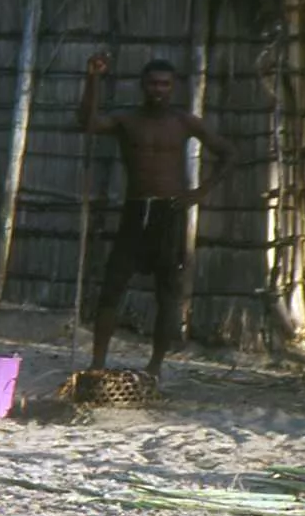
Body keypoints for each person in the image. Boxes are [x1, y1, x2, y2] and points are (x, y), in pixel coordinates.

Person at [78, 55, 234, 376]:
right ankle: (97, 364)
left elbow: (228, 153)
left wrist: (199, 193)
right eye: (152, 84)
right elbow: (88, 123)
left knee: (167, 293)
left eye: (164, 84)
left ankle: (155, 366)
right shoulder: (127, 120)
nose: (158, 90)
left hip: (169, 213)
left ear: (173, 88)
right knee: (112, 287)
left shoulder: (184, 123)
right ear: (143, 86)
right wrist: (93, 79)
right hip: (135, 210)